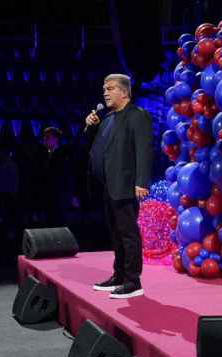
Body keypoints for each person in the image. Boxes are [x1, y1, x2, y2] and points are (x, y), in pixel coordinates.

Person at [85, 74, 152, 299]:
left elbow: (144, 150)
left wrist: (141, 181)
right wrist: (91, 127)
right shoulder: (108, 118)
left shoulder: (137, 116)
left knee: (128, 233)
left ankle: (133, 281)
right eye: (104, 88)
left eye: (110, 88)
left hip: (126, 184)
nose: (105, 92)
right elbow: (98, 147)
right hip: (109, 184)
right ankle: (119, 275)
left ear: (124, 92)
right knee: (115, 233)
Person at [39, 127, 74, 227]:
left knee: (58, 223)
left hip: (59, 196)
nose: (44, 140)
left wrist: (70, 195)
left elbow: (67, 176)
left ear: (56, 139)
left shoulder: (62, 155)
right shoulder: (45, 155)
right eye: (44, 137)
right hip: (50, 196)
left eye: (48, 137)